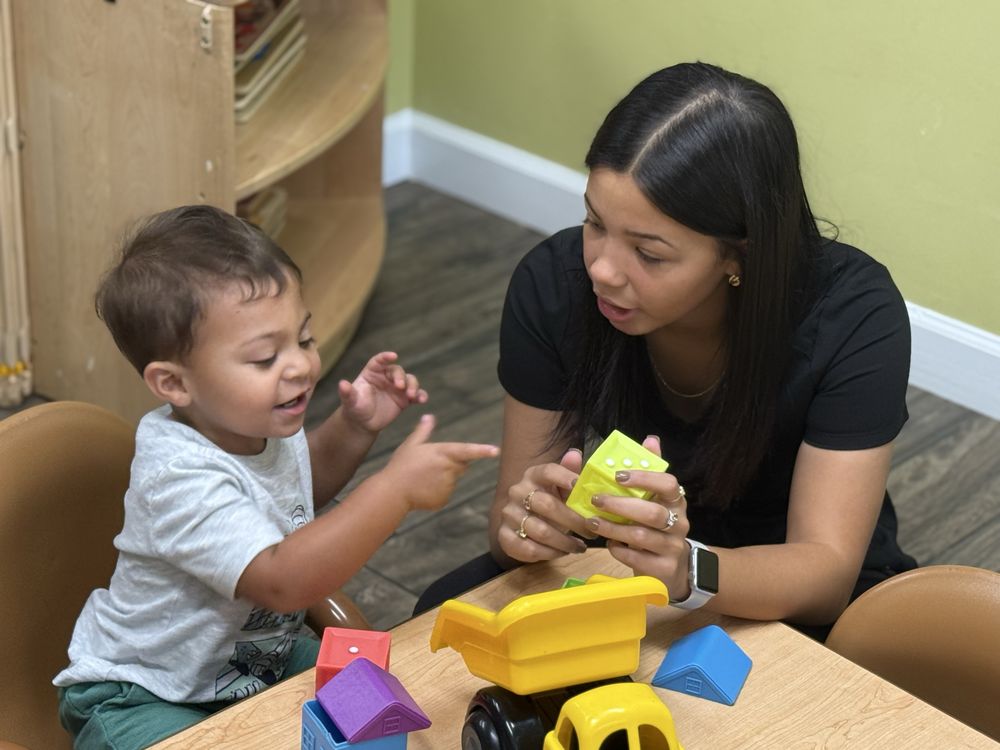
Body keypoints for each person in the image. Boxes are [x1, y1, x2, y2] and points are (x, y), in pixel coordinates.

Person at [416, 62, 915, 640]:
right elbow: (519, 520)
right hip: (629, 560)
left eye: (649, 254)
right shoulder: (554, 286)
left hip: (784, 589)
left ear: (739, 256)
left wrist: (690, 568)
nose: (602, 269)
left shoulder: (853, 315)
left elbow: (825, 574)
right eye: (594, 223)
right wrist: (531, 526)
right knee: (439, 613)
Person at [54, 205, 499, 750]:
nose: (300, 366)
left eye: (305, 339)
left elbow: (297, 491)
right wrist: (393, 490)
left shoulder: (256, 420)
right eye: (266, 357)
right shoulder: (177, 472)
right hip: (144, 694)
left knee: (384, 710)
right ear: (173, 383)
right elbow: (282, 580)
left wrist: (354, 427)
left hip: (259, 661)